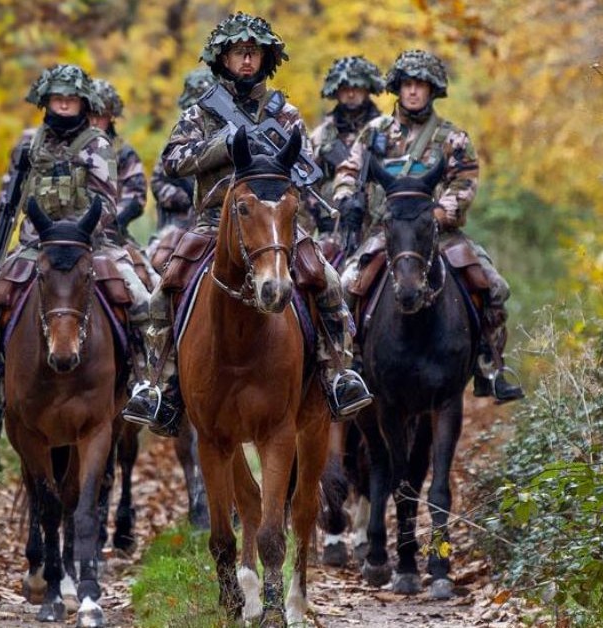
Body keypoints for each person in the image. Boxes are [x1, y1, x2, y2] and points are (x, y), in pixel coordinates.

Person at [121, 12, 373, 432]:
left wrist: (274, 163)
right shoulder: (202, 113)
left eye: (253, 53)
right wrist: (222, 145)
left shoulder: (286, 113)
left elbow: (307, 165)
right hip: (213, 222)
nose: (246, 61)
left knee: (326, 279)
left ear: (265, 59)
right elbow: (173, 160)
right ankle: (157, 385)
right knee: (162, 292)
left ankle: (338, 373)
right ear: (223, 59)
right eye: (239, 53)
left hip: (274, 222)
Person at [0, 64, 153, 435]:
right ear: (47, 101)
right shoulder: (28, 143)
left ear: (83, 103)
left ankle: (144, 384)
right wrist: (3, 247)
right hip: (35, 245)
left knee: (142, 299)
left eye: (71, 100)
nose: (64, 106)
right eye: (58, 99)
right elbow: (9, 198)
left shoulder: (98, 144)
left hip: (89, 245)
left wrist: (74, 232)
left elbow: (108, 203)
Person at [331, 50, 525, 403]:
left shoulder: (452, 137)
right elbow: (346, 172)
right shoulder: (373, 133)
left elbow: (464, 183)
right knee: (345, 286)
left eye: (420, 85)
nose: (413, 92)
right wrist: (347, 200)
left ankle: (489, 365)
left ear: (432, 90)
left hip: (440, 233)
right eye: (407, 85)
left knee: (494, 285)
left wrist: (437, 214)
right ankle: (351, 366)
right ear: (397, 89)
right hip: (386, 233)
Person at [307, 56, 385, 236]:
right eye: (345, 89)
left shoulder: (386, 131)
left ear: (367, 90)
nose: (351, 94)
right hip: (333, 227)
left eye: (357, 88)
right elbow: (307, 187)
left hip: (378, 228)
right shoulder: (321, 136)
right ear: (335, 91)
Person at [149, 68, 215, 230]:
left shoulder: (224, 139)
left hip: (215, 222)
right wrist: (181, 198)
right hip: (178, 224)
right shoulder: (177, 144)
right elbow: (157, 183)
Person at [89, 79, 148, 237]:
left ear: (110, 117)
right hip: (67, 232)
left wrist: (113, 221)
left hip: (110, 231)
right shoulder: (67, 149)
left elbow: (136, 196)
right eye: (90, 115)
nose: (94, 122)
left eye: (100, 116)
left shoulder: (123, 153)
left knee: (138, 261)